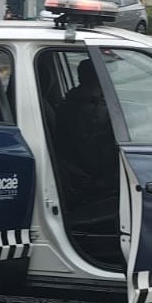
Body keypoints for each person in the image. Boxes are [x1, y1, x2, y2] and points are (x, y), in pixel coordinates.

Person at [54, 58, 118, 200]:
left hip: (76, 171)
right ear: (101, 79)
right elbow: (97, 152)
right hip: (90, 180)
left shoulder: (69, 103)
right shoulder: (93, 111)